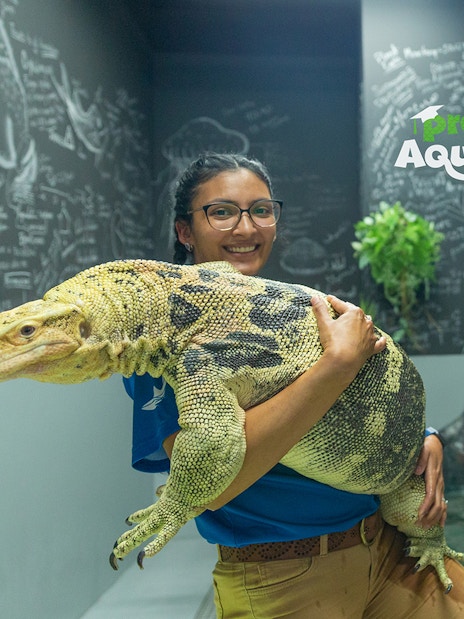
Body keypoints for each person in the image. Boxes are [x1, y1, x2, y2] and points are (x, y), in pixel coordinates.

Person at [124, 153, 464, 617]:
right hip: (284, 580)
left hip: (391, 549)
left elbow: (361, 402)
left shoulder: (287, 306)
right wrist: (336, 365)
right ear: (185, 231)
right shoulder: (163, 346)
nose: (246, 229)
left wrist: (425, 438)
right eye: (222, 212)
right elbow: (211, 487)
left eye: (261, 210)